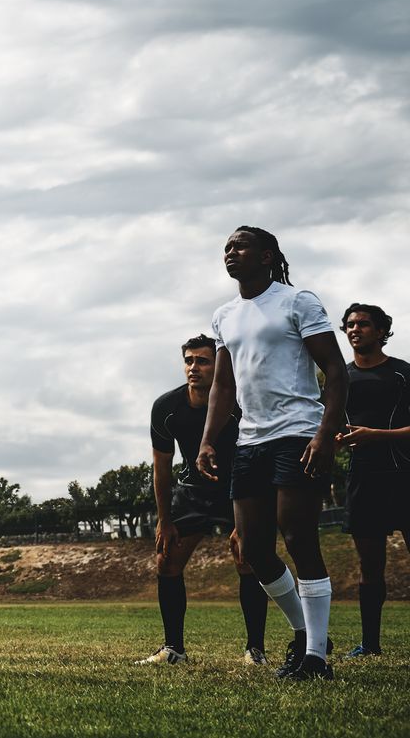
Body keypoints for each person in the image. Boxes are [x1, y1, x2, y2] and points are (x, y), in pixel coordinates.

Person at [198, 226, 347, 681]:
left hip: (298, 433)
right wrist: (208, 439)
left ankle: (317, 659)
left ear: (267, 256)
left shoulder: (297, 301)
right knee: (255, 550)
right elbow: (223, 386)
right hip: (251, 442)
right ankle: (304, 636)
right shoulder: (224, 315)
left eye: (239, 246)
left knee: (299, 538)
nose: (230, 253)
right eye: (226, 247)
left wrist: (324, 435)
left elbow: (337, 372)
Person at [135, 334, 269, 665]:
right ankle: (173, 650)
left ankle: (255, 650)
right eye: (189, 361)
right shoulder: (166, 408)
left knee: (246, 558)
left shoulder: (240, 404)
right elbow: (161, 468)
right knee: (166, 560)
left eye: (203, 361)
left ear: (219, 365)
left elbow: (258, 457)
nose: (194, 367)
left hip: (239, 487)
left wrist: (245, 520)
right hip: (192, 490)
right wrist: (164, 520)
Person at [338, 302, 409, 657]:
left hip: (404, 474)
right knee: (369, 567)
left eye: (363, 324)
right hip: (363, 478)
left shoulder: (402, 374)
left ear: (381, 331)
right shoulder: (340, 378)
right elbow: (328, 426)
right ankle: (370, 644)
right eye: (349, 324)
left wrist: (377, 434)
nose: (355, 329)